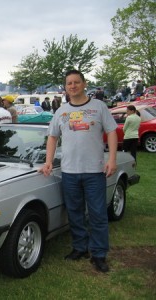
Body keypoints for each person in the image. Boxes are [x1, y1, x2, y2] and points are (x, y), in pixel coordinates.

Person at [39, 69, 117, 273]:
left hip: (94, 172)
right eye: (68, 83)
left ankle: (99, 254)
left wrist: (112, 159)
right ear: (65, 87)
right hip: (69, 172)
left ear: (84, 84)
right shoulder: (61, 111)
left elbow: (111, 132)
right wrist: (48, 162)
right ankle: (80, 248)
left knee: (98, 214)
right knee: (74, 213)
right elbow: (52, 137)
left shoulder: (98, 107)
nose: (72, 86)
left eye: (76, 82)